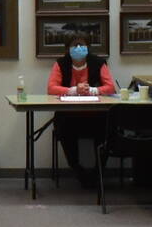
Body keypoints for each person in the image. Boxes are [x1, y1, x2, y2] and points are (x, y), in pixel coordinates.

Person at [45, 33, 115, 186]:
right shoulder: (61, 63)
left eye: (81, 45)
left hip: (95, 116)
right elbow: (51, 88)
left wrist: (93, 90)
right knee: (64, 128)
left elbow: (110, 87)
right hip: (69, 116)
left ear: (88, 48)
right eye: (74, 45)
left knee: (106, 128)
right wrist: (74, 90)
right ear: (67, 49)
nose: (78, 48)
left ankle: (98, 172)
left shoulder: (98, 62)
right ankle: (77, 169)